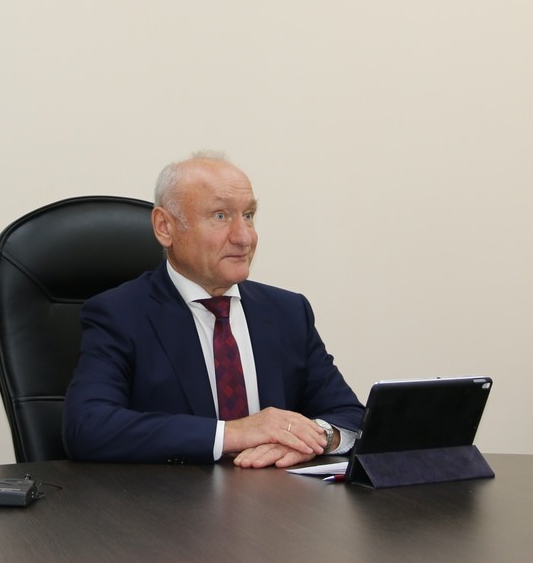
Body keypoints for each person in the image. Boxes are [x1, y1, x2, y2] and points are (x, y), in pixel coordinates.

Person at [63, 151, 364, 468]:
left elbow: (350, 417)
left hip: (276, 495)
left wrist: (314, 438)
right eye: (220, 216)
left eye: (248, 215)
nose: (244, 237)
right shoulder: (120, 314)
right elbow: (87, 427)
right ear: (165, 227)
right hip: (171, 496)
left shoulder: (288, 312)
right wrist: (233, 434)